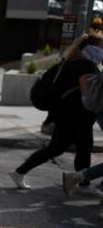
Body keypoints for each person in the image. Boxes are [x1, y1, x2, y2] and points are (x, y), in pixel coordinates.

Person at [10, 33, 103, 192]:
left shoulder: (72, 61)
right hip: (74, 115)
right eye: (101, 47)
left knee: (84, 147)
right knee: (56, 148)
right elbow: (87, 95)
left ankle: (82, 183)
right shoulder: (85, 65)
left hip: (71, 114)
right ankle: (20, 172)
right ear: (92, 48)